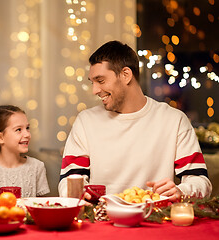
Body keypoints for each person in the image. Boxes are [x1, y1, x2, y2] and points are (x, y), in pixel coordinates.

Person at [58, 40, 212, 202]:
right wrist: (78, 193)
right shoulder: (86, 121)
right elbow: (69, 181)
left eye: (101, 81)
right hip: (101, 221)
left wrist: (181, 191)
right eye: (93, 82)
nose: (95, 90)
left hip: (155, 220)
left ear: (126, 75)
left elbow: (200, 182)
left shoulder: (174, 120)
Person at [0, 105, 50, 200]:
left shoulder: (37, 167)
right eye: (18, 129)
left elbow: (40, 207)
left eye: (27, 128)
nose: (27, 134)